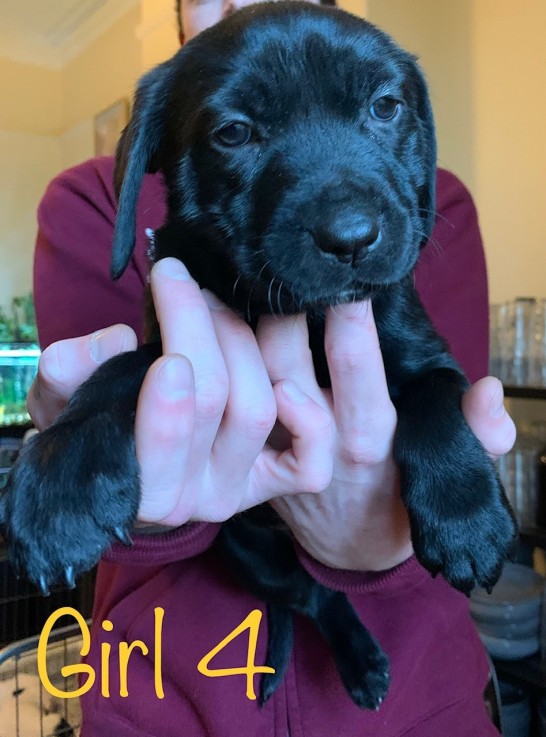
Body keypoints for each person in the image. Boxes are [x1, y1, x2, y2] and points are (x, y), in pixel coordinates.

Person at [28, 0, 516, 734]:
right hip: (165, 698)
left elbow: (437, 387)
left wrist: (403, 509)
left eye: (383, 108)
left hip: (419, 698)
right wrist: (93, 428)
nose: (349, 220)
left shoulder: (435, 208)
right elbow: (154, 377)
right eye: (236, 131)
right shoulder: (89, 202)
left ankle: (338, 621)